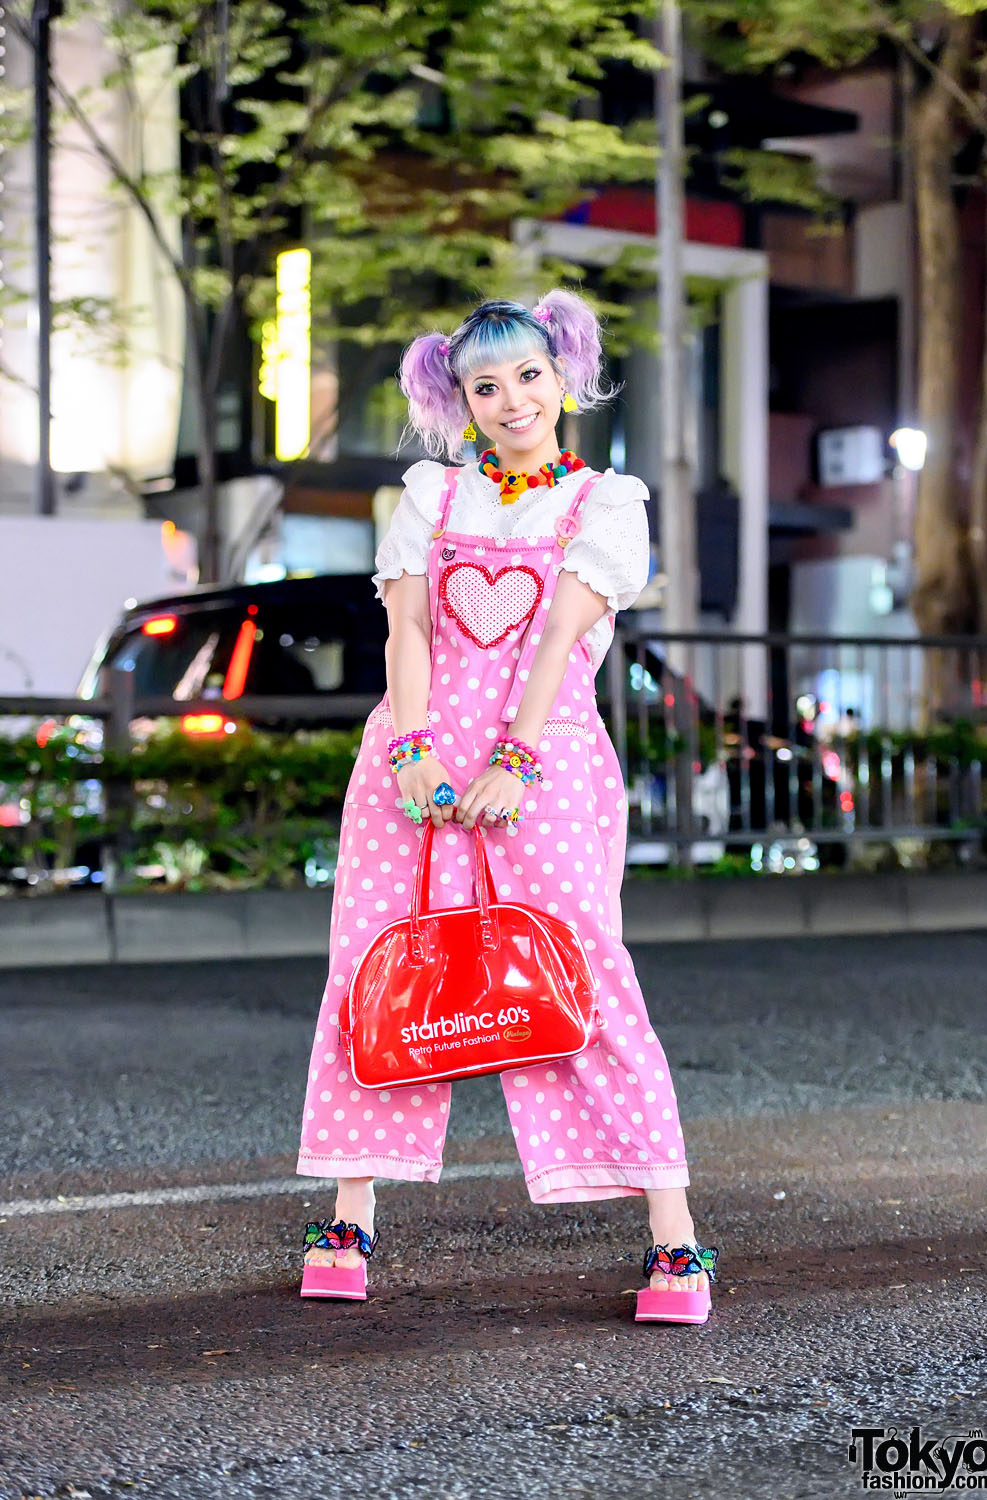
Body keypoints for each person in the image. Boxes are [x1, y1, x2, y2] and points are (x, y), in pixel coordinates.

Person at [296, 289, 719, 1323]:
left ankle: (676, 1244)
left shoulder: (604, 504)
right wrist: (407, 749)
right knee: (381, 976)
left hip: (549, 765)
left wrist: (514, 763)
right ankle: (349, 1219)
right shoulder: (431, 496)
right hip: (410, 765)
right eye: (486, 385)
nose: (512, 399)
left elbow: (555, 642)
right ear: (463, 400)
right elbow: (406, 636)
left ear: (563, 376)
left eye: (529, 376)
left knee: (582, 979)